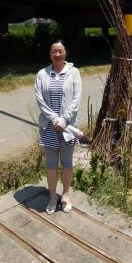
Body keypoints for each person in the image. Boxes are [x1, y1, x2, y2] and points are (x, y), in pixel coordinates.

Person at [35, 40, 82, 214]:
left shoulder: (74, 72)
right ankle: (53, 196)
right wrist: (55, 119)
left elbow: (76, 99)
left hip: (67, 127)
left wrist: (63, 121)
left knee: (67, 163)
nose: (57, 54)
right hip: (49, 126)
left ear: (65, 53)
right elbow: (40, 100)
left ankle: (66, 195)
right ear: (50, 53)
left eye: (60, 51)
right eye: (54, 51)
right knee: (51, 164)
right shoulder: (42, 74)